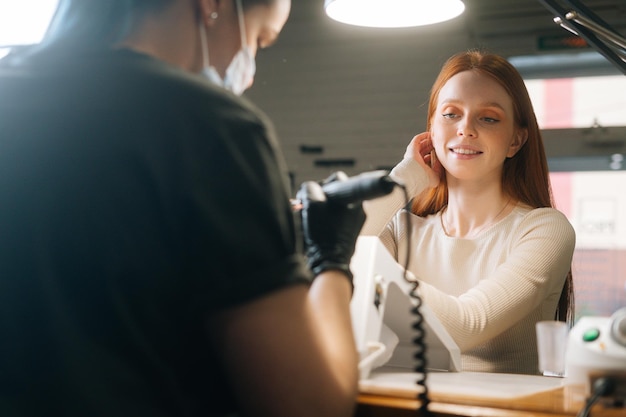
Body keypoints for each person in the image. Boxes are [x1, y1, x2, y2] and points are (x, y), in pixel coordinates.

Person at [0, 1, 365, 417]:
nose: (251, 69)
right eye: (260, 39)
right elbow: (309, 406)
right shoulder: (211, 125)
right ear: (213, 5)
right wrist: (332, 258)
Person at [361, 50, 576, 375]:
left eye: (488, 118)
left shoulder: (545, 229)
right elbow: (335, 248)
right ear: (431, 128)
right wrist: (405, 177)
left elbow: (467, 325)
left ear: (516, 140)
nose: (465, 129)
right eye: (450, 114)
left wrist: (367, 269)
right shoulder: (401, 228)